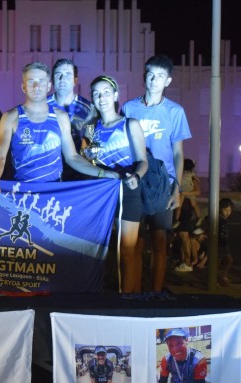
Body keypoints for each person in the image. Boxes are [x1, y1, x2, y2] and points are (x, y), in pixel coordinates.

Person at [0, 62, 116, 205]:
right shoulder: (10, 117)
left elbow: (72, 157)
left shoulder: (61, 117)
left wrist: (103, 173)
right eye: (31, 82)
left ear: (48, 86)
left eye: (41, 81)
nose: (36, 86)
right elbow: (0, 155)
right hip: (21, 193)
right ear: (23, 87)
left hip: (53, 194)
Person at [123, 55, 192, 293]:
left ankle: (155, 293)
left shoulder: (175, 111)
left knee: (160, 242)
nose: (154, 80)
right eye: (150, 74)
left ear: (168, 81)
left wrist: (177, 189)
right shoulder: (129, 108)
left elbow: (178, 154)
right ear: (144, 76)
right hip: (136, 181)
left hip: (163, 185)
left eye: (160, 76)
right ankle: (134, 293)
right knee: (136, 243)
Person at [86, 75, 148, 293]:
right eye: (96, 93)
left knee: (127, 250)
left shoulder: (130, 124)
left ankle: (129, 300)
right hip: (103, 194)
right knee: (99, 250)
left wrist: (136, 177)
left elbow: (143, 161)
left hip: (128, 191)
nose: (101, 97)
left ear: (115, 95)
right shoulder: (90, 130)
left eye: (105, 92)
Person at [46, 58, 95, 181]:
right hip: (49, 170)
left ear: (75, 80)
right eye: (58, 75)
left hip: (78, 171)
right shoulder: (42, 106)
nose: (62, 79)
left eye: (68, 75)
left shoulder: (89, 109)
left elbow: (90, 140)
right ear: (52, 80)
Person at [174, 158, 202, 226]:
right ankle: (199, 218)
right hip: (190, 190)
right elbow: (198, 180)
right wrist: (197, 180)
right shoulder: (191, 174)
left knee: (179, 206)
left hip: (182, 191)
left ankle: (176, 220)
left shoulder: (179, 172)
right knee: (194, 205)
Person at [218, 198, 234, 286]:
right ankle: (219, 277)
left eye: (230, 210)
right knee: (219, 260)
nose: (228, 212)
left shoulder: (224, 220)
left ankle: (223, 275)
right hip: (218, 244)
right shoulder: (219, 219)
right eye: (225, 210)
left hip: (224, 244)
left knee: (229, 259)